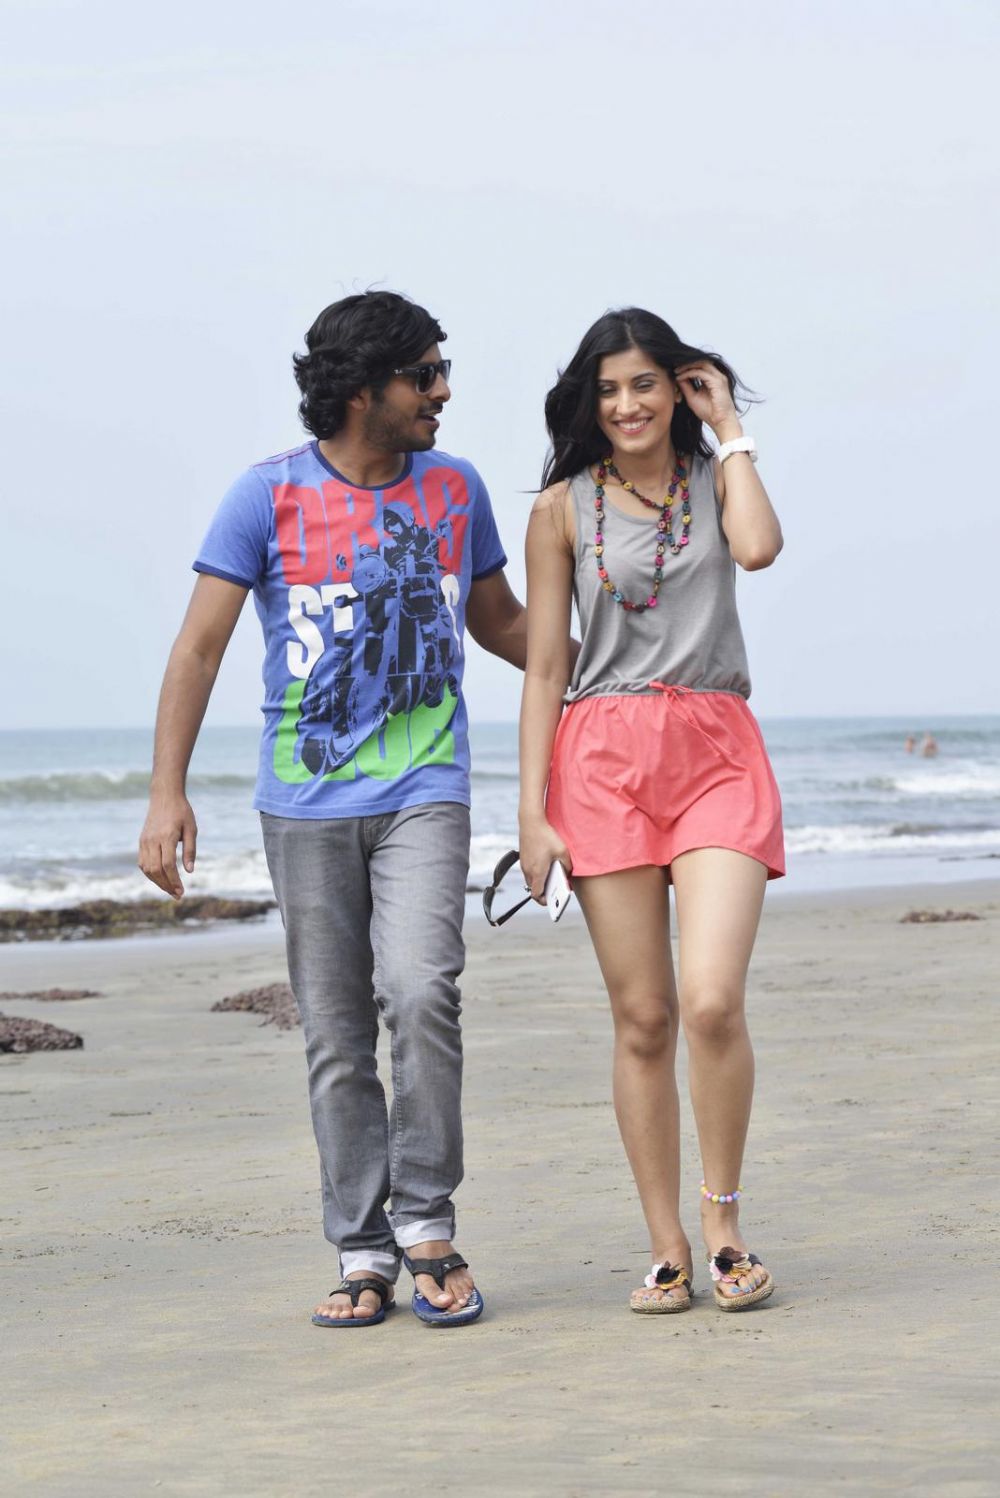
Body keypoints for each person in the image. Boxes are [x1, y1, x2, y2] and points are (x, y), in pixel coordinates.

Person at [139, 290, 528, 1328]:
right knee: (337, 1031)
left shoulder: (455, 489)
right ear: (363, 389)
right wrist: (167, 791)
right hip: (304, 804)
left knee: (422, 990)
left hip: (424, 788)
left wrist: (612, 667)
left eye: (443, 372)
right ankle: (362, 1246)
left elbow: (498, 622)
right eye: (425, 375)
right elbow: (199, 649)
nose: (443, 392)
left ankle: (427, 1222)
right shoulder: (265, 495)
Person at [519, 307, 784, 1314]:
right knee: (642, 1018)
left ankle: (724, 1224)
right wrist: (531, 811)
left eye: (644, 383)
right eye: (607, 389)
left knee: (710, 1001)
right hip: (601, 760)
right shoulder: (561, 508)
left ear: (678, 387)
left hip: (715, 750)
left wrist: (731, 429)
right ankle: (667, 1242)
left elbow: (758, 548)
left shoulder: (718, 480)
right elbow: (547, 667)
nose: (625, 404)